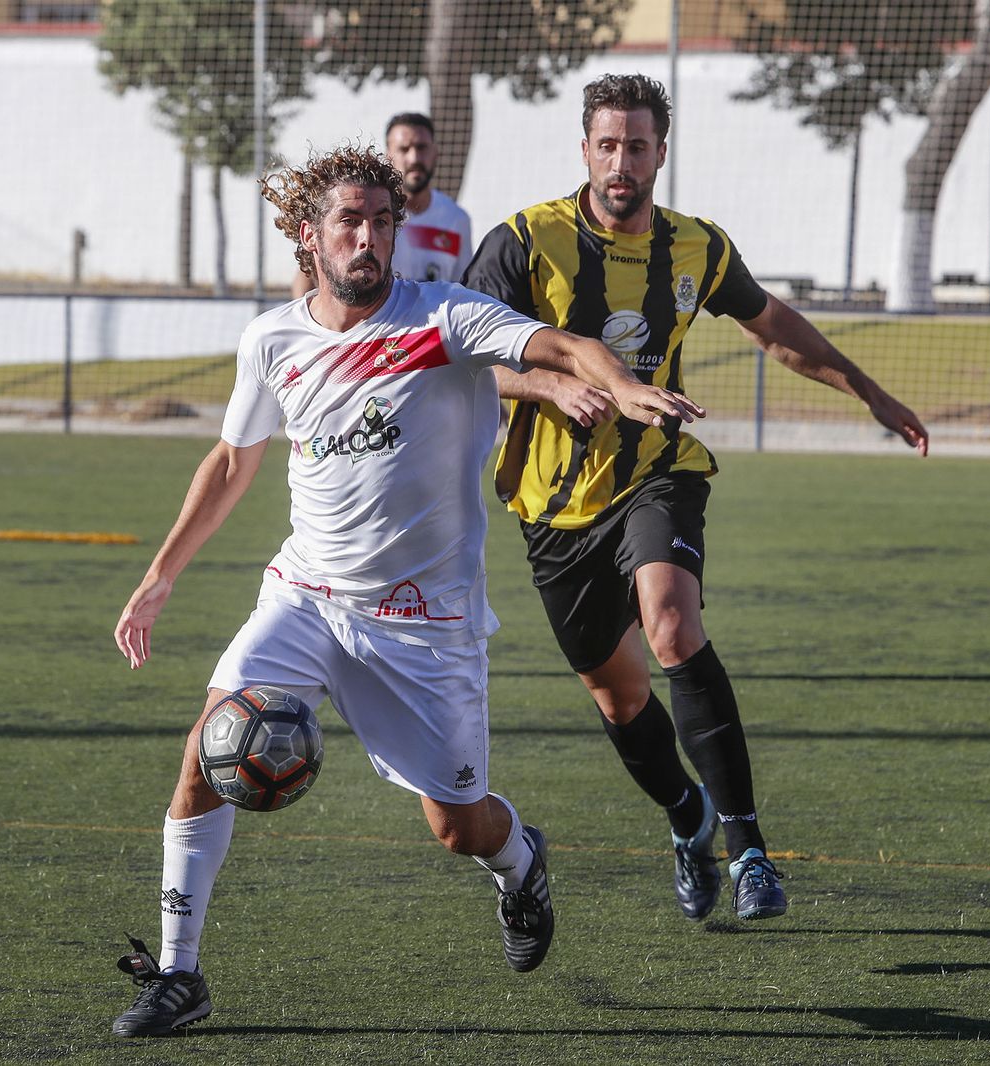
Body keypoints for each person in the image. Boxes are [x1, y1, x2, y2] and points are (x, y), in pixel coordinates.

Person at [109, 143, 701, 1038]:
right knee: (207, 751)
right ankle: (178, 973)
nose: (369, 238)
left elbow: (561, 345)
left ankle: (521, 866)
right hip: (306, 595)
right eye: (350, 221)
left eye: (382, 222)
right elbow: (232, 461)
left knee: (459, 826)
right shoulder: (271, 340)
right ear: (309, 235)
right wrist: (158, 579)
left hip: (426, 623)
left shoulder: (441, 316)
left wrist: (619, 384)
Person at [463, 73, 929, 924]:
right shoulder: (525, 241)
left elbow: (773, 326)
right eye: (608, 145)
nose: (621, 163)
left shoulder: (697, 247)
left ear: (660, 154)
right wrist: (549, 386)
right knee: (620, 699)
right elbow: (462, 356)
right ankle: (689, 817)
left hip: (658, 471)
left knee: (674, 627)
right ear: (584, 150)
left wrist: (866, 389)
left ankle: (750, 853)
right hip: (554, 509)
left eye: (637, 147)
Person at [289, 112, 472, 298]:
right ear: (388, 155)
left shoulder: (456, 219)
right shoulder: (367, 213)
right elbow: (309, 273)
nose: (414, 158)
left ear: (435, 153)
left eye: (421, 148)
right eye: (404, 149)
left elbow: (464, 287)